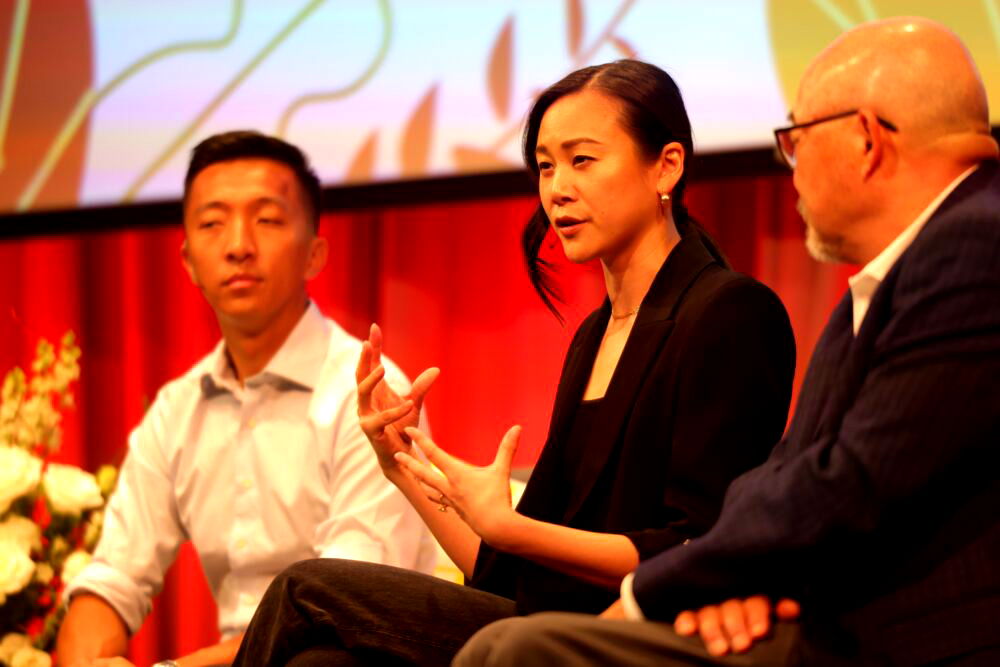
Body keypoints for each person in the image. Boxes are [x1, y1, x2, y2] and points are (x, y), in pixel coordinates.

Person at [454, 17, 1000, 667]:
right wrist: (730, 581)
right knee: (484, 641)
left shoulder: (973, 247)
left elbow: (852, 484)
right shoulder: (882, 287)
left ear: (866, 140)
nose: (790, 169)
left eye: (796, 140)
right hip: (808, 611)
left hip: (902, 635)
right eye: (545, 167)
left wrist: (671, 589)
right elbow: (783, 480)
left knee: (521, 650)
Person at [233, 60, 796, 666]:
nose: (557, 189)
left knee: (305, 586)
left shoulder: (729, 312)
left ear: (667, 165)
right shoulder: (595, 335)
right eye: (546, 166)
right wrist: (400, 463)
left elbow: (698, 546)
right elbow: (506, 574)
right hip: (540, 624)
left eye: (582, 160)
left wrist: (510, 527)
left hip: (636, 636)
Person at [56, 131, 436, 667]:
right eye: (213, 223)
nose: (238, 245)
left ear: (314, 254)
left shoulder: (370, 395)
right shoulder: (177, 410)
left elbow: (340, 608)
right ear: (188, 261)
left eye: (268, 219)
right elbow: (114, 576)